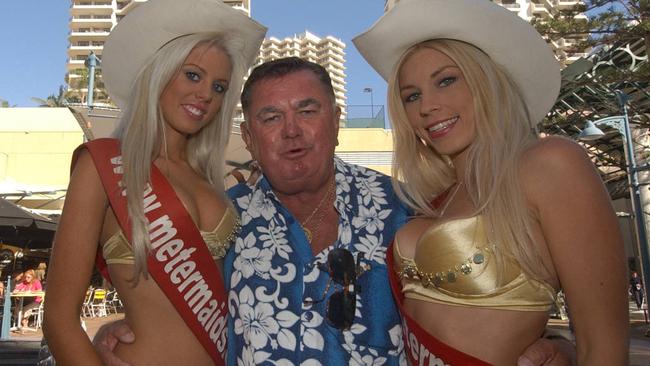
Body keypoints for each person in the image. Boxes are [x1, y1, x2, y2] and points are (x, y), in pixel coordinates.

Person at [96, 56, 577, 366]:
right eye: (270, 117)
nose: (292, 131)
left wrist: (560, 350)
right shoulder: (220, 224)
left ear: (336, 123)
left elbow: (482, 311)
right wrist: (123, 337)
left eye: (308, 111)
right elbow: (175, 317)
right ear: (248, 139)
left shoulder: (411, 213)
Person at [353, 0, 629, 364]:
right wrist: (553, 340)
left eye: (446, 80)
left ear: (486, 81)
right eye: (412, 96)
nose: (427, 106)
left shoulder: (550, 164)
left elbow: (603, 346)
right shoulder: (435, 198)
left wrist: (559, 348)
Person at [42, 0, 266, 364]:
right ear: (160, 72)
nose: (206, 94)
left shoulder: (214, 182)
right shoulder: (104, 165)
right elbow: (58, 319)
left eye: (220, 87)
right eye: (193, 75)